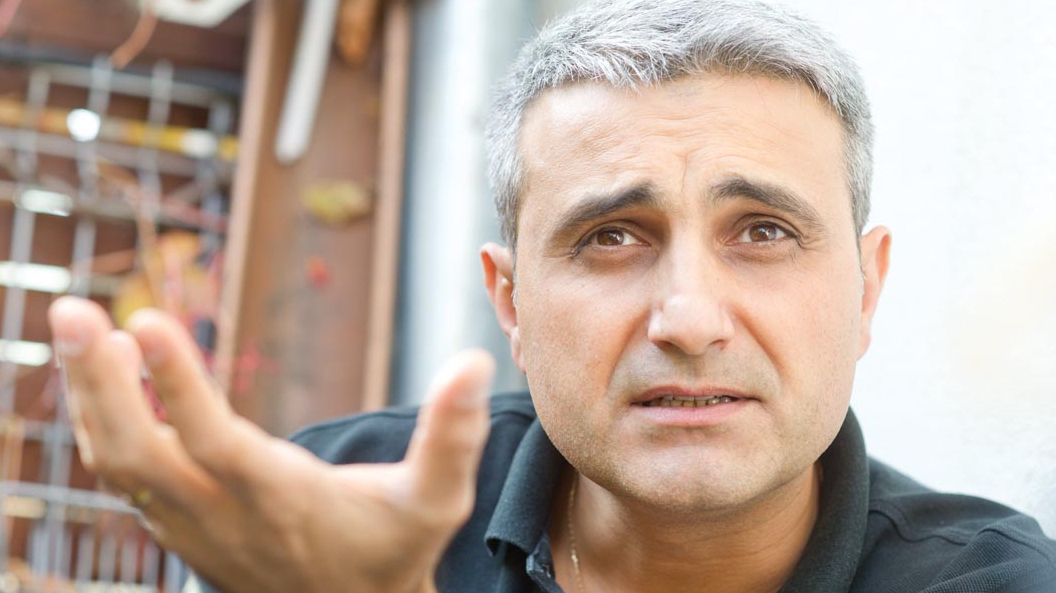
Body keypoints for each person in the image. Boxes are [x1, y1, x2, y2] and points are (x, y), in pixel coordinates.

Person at [47, 0, 1056, 592]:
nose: (689, 318)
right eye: (611, 236)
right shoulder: (335, 506)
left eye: (764, 232)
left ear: (868, 287)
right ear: (511, 300)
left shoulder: (996, 582)